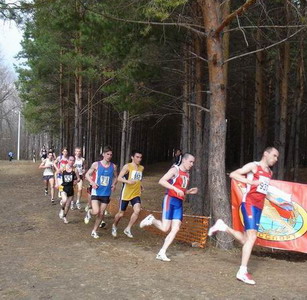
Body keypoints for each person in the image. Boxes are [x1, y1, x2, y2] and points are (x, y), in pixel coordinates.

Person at [208, 146, 279, 285]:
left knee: (246, 239)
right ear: (266, 153)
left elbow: (264, 191)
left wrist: (278, 202)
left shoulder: (269, 172)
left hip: (259, 206)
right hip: (249, 204)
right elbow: (233, 174)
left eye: (277, 157)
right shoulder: (254, 166)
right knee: (252, 237)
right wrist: (251, 182)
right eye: (274, 155)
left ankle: (223, 227)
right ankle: (242, 271)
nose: (276, 159)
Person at [140, 153, 198, 262]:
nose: (192, 164)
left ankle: (162, 252)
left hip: (179, 203)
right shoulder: (175, 170)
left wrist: (188, 191)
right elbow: (162, 181)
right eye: (190, 161)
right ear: (184, 160)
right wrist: (175, 189)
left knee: (175, 229)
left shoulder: (187, 174)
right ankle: (151, 220)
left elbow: (181, 190)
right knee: (165, 228)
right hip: (170, 200)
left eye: (193, 162)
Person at [85, 146, 117, 238]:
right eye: (107, 154)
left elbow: (116, 177)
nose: (109, 156)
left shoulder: (113, 166)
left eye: (111, 154)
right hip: (96, 191)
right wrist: (92, 182)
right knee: (96, 211)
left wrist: (114, 184)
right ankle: (89, 212)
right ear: (103, 154)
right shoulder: (96, 164)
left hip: (106, 193)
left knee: (101, 213)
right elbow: (87, 174)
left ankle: (94, 231)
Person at [112, 150, 144, 238]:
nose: (139, 159)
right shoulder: (127, 166)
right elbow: (119, 178)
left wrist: (141, 186)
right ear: (132, 157)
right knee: (121, 214)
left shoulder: (141, 168)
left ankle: (128, 228)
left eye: (140, 157)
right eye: (137, 157)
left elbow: (139, 179)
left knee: (137, 210)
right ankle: (114, 225)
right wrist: (127, 181)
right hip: (126, 193)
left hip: (136, 193)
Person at [57, 156, 80, 224]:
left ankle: (64, 217)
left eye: (73, 160)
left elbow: (78, 178)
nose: (71, 162)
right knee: (64, 200)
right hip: (64, 187)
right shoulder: (63, 168)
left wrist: (76, 181)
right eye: (70, 160)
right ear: (68, 161)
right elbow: (56, 173)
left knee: (68, 204)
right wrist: (56, 183)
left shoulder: (75, 170)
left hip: (71, 188)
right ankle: (62, 209)